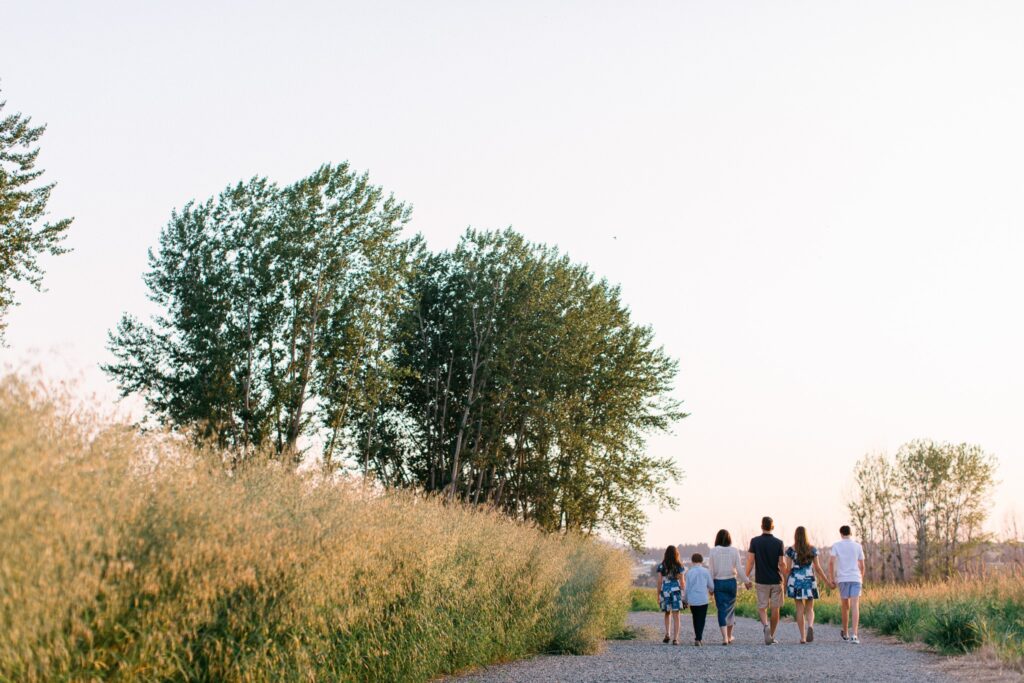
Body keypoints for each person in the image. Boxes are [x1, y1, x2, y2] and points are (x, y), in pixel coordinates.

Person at [784, 526, 835, 644]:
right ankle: (810, 625)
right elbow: (817, 568)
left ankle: (802, 637)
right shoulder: (812, 549)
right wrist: (827, 582)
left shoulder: (791, 550)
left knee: (799, 609)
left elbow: (787, 569)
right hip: (809, 579)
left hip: (795, 580)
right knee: (810, 608)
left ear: (795, 535)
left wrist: (785, 583)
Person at [746, 516, 787, 645]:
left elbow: (751, 561)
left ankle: (765, 625)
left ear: (761, 526)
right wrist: (786, 575)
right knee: (775, 609)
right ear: (772, 527)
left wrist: (746, 576)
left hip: (761, 580)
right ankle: (772, 635)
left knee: (762, 607)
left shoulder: (755, 541)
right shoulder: (779, 543)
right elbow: (782, 563)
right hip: (776, 580)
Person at [708, 529, 751, 645]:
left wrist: (710, 588)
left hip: (718, 583)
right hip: (731, 582)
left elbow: (711, 571)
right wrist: (747, 581)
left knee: (721, 610)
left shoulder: (713, 551)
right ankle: (730, 635)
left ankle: (725, 638)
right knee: (731, 609)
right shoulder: (734, 550)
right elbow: (739, 568)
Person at [829, 525, 866, 644]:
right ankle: (855, 635)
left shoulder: (836, 545)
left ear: (841, 534)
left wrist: (832, 578)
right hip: (856, 578)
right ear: (851, 533)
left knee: (845, 606)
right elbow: (862, 565)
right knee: (855, 605)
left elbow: (831, 562)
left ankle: (845, 633)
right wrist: (861, 577)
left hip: (843, 579)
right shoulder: (858, 546)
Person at [684, 553, 715, 646]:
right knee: (702, 619)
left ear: (692, 561)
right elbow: (711, 586)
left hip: (693, 599)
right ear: (702, 561)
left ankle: (698, 637)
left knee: (695, 618)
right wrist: (711, 591)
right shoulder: (706, 571)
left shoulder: (689, 572)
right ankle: (698, 638)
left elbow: (687, 588)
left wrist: (685, 600)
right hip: (703, 599)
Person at [656, 545, 685, 645]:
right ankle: (676, 639)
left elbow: (659, 581)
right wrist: (684, 595)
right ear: (676, 554)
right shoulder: (679, 565)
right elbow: (682, 582)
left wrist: (658, 594)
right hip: (676, 591)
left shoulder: (661, 565)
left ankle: (667, 634)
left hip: (665, 590)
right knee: (676, 615)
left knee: (667, 613)